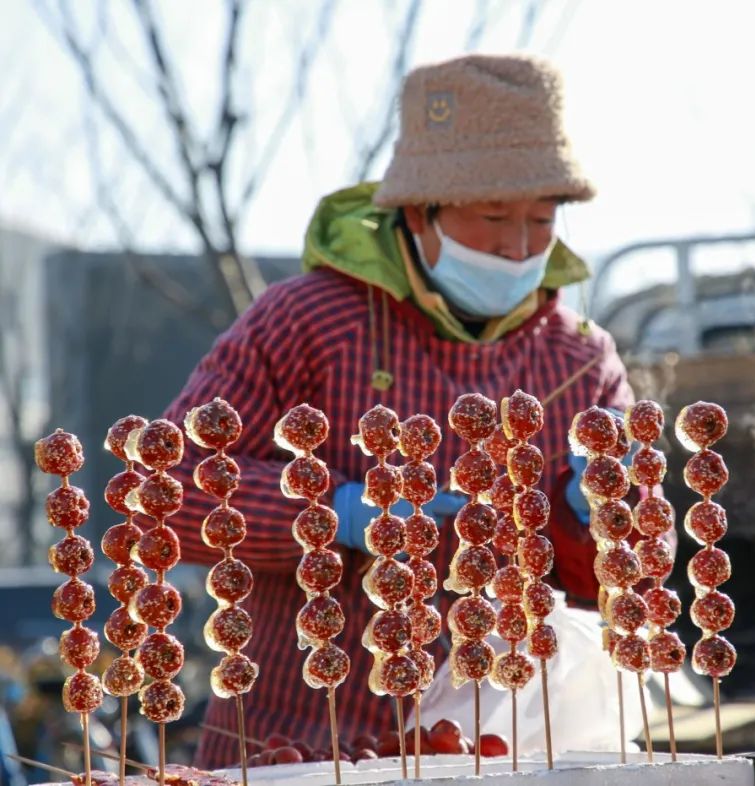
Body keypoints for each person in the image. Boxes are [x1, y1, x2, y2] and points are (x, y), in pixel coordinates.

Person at [162, 53, 649, 769]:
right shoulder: (309, 321)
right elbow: (169, 490)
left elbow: (633, 577)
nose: (518, 247)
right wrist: (332, 512)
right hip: (295, 742)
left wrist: (594, 525)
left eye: (541, 220)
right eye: (493, 216)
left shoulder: (579, 358)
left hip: (509, 745)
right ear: (420, 212)